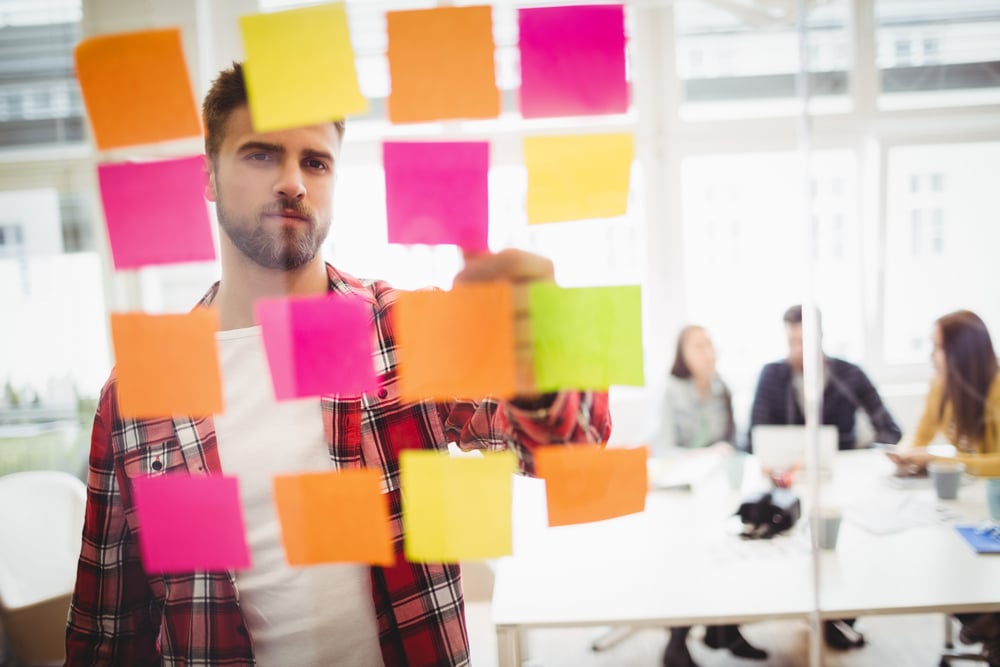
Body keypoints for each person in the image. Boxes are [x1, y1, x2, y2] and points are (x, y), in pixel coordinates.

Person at [65, 62, 611, 667]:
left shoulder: (402, 329)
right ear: (210, 176)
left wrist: (545, 361)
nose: (292, 182)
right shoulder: (142, 387)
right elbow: (108, 628)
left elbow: (570, 450)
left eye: (315, 162)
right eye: (260, 155)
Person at [749, 304, 902, 650]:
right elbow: (753, 438)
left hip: (840, 480)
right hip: (787, 484)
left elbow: (890, 431)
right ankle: (817, 610)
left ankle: (837, 614)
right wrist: (769, 463)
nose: (796, 351)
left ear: (820, 338)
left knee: (840, 543)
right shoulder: (772, 375)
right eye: (790, 341)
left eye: (803, 341)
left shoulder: (849, 376)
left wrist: (860, 453)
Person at [890, 310, 1000, 665]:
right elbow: (921, 433)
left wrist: (945, 458)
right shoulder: (942, 385)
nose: (931, 356)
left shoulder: (996, 389)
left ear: (962, 350)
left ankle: (988, 625)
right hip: (966, 501)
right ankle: (984, 624)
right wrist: (906, 454)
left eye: (937, 347)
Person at [657, 326, 768, 667]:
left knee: (730, 552)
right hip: (679, 492)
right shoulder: (671, 392)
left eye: (710, 345)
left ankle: (725, 630)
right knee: (687, 563)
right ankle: (676, 643)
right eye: (698, 346)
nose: (708, 352)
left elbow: (736, 443)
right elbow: (663, 449)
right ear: (683, 355)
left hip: (717, 489)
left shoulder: (723, 389)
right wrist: (704, 455)